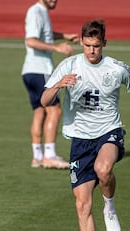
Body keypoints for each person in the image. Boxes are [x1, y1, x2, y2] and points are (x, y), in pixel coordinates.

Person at [41, 19, 130, 231]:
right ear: (81, 42)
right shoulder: (68, 66)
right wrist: (59, 86)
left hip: (109, 132)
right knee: (81, 205)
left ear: (105, 43)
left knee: (104, 170)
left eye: (97, 45)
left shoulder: (116, 68)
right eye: (88, 45)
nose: (92, 51)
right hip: (80, 140)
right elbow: (44, 101)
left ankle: (110, 207)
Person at [22, 0, 79, 169]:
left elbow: (43, 35)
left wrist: (64, 35)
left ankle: (37, 156)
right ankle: (50, 154)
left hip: (30, 71)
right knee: (55, 110)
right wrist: (57, 48)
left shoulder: (41, 12)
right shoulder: (36, 12)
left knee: (40, 112)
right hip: (40, 69)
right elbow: (31, 41)